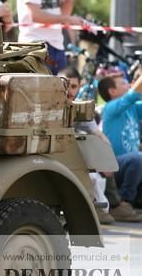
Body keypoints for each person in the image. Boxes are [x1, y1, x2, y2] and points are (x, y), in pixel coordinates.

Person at [57, 67, 141, 223]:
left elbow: (99, 135)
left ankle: (113, 205)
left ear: (79, 87)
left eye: (74, 86)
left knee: (98, 150)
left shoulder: (79, 109)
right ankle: (106, 204)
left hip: (75, 160)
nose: (69, 90)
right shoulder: (47, 106)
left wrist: (106, 157)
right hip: (54, 156)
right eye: (65, 85)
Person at [98, 72, 142, 219]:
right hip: (112, 170)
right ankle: (122, 202)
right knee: (138, 158)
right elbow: (133, 94)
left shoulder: (133, 108)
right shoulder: (110, 108)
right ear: (112, 91)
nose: (128, 85)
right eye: (123, 83)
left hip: (132, 169)